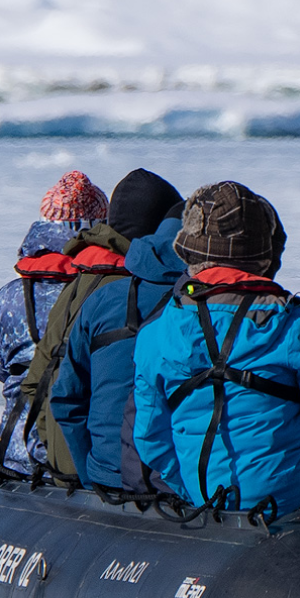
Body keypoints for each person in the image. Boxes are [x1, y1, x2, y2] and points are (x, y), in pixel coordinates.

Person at [132, 182, 300, 515]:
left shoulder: (154, 334)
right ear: (262, 255)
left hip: (205, 500)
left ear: (191, 253)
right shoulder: (292, 323)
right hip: (292, 498)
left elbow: (150, 440)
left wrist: (190, 490)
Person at [43, 170, 187, 492]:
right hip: (176, 486)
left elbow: (59, 395)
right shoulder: (200, 305)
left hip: (99, 475)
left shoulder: (93, 295)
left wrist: (88, 477)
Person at [0, 170, 107, 470]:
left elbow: (0, 368)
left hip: (17, 449)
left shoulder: (9, 296)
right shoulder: (108, 293)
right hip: (79, 455)